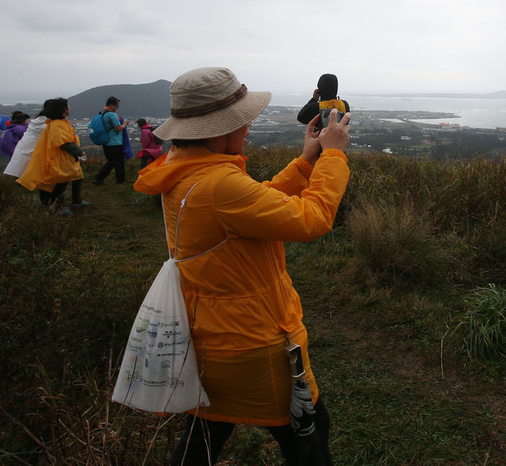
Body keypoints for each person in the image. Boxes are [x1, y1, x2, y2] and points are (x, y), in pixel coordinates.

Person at [132, 67, 351, 466]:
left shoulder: (185, 170)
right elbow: (311, 218)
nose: (248, 126)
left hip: (211, 337)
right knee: (310, 433)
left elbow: (256, 203)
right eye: (240, 121)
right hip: (255, 341)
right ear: (216, 130)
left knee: (204, 435)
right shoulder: (219, 183)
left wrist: (305, 163)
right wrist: (333, 155)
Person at [16, 98, 88, 215]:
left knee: (60, 182)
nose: (70, 108)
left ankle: (56, 206)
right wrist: (80, 152)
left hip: (63, 158)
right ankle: (56, 207)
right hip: (59, 159)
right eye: (68, 106)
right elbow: (66, 143)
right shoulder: (57, 125)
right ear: (63, 110)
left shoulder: (57, 123)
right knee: (59, 182)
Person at [4, 102, 52, 178]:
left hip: (16, 156)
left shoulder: (9, 129)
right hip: (22, 156)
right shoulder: (19, 129)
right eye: (24, 120)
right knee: (22, 175)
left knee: (19, 173)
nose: (26, 121)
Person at [93, 96, 130, 185]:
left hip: (106, 142)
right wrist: (125, 123)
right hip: (115, 143)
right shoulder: (111, 115)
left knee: (111, 162)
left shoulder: (102, 113)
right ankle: (120, 181)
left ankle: (98, 178)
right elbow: (118, 128)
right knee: (119, 163)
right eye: (117, 106)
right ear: (112, 105)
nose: (117, 108)